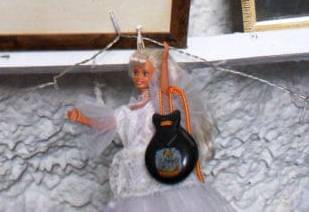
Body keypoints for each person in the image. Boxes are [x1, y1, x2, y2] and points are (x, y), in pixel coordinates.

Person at [66, 45, 235, 211]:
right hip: (136, 173)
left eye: (145, 73)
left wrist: (163, 59)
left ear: (155, 74)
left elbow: (165, 88)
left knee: (170, 201)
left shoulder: (159, 106)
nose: (139, 77)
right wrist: (82, 118)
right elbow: (106, 125)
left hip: (160, 162)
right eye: (136, 72)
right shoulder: (125, 112)